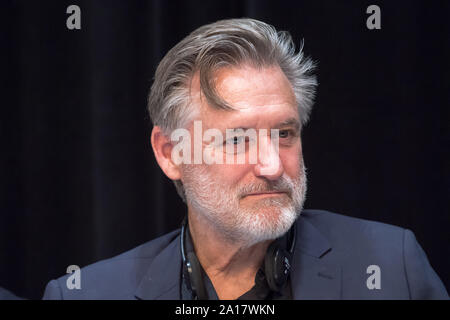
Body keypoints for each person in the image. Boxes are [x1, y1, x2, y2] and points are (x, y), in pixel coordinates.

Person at [43, 18, 448, 300]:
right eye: (237, 139)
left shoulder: (393, 267)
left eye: (284, 134)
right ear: (171, 153)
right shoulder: (86, 293)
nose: (272, 166)